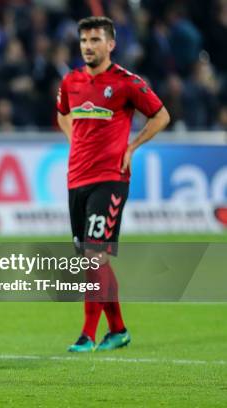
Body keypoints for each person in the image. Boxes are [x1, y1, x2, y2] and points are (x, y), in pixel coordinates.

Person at [56, 17, 170, 352]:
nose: (88, 46)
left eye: (95, 40)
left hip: (110, 178)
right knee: (95, 259)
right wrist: (73, 138)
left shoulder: (126, 82)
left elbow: (161, 115)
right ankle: (118, 330)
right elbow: (63, 112)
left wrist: (132, 147)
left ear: (111, 44)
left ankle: (87, 335)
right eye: (84, 41)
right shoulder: (71, 81)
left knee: (93, 256)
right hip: (76, 177)